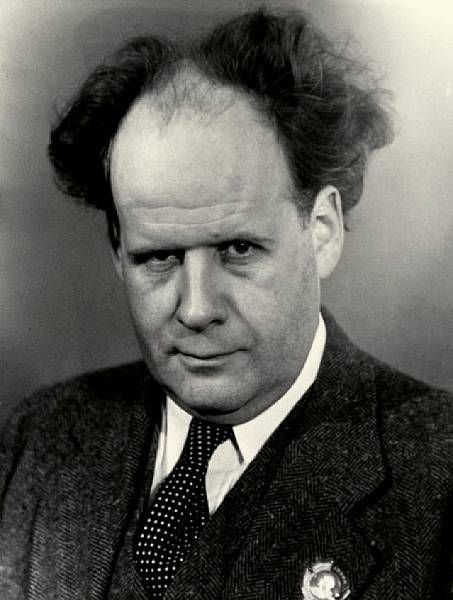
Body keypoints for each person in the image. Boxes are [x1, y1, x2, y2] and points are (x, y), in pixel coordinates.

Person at [1, 8, 452, 600]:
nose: (196, 309)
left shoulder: (439, 474)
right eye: (157, 257)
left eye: (238, 249)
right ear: (117, 252)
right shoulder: (41, 438)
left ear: (321, 230)